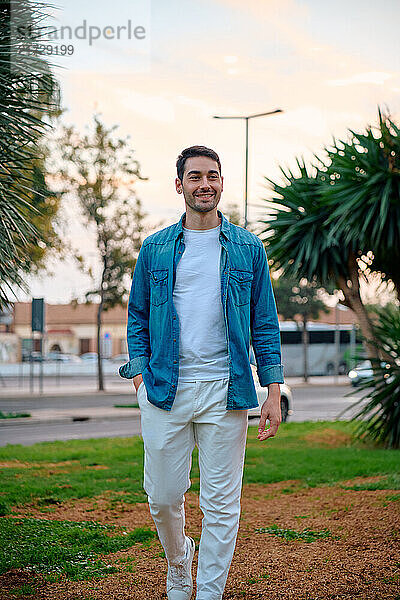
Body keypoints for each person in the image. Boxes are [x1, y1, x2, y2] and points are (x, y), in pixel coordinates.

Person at [119, 145, 284, 600]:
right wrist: (139, 375)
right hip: (164, 390)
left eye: (212, 175)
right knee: (163, 496)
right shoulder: (154, 249)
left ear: (222, 183)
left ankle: (207, 592)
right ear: (180, 185)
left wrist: (273, 388)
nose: (204, 184)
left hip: (226, 388)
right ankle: (178, 564)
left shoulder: (249, 249)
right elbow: (137, 318)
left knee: (222, 506)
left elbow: (264, 322)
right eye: (195, 177)